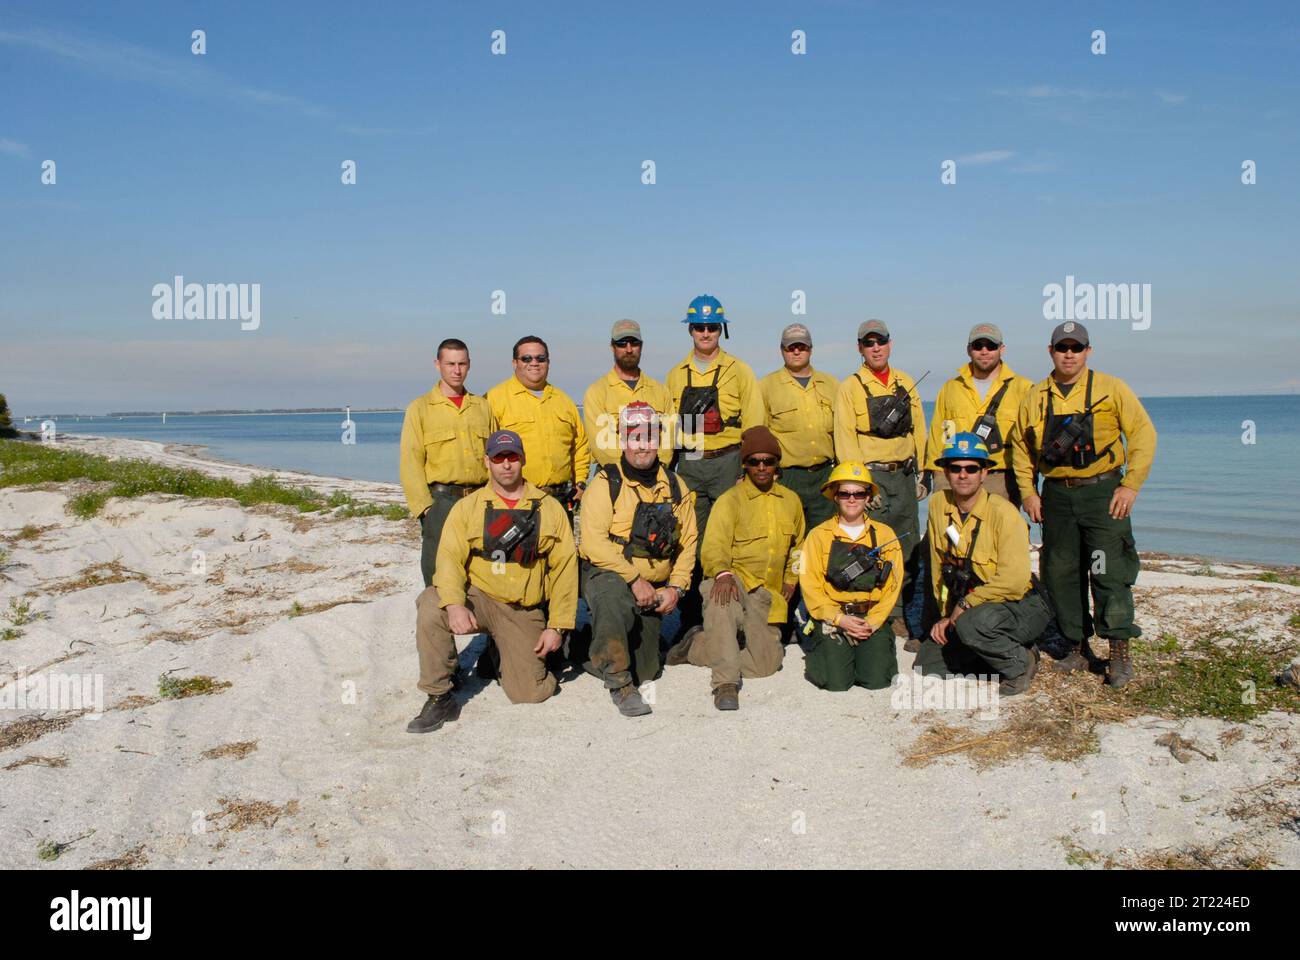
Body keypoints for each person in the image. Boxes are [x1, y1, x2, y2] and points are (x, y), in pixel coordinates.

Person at [1009, 322, 1157, 687]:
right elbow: (1019, 447)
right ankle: (1077, 646)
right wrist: (1029, 491)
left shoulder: (1111, 388)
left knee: (1107, 570)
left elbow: (1142, 433)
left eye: (1077, 348)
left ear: (1088, 351)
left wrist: (1130, 485)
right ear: (1051, 351)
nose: (1069, 354)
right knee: (1061, 573)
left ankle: (1119, 649)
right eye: (1063, 348)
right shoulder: (1035, 396)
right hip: (1057, 495)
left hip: (1102, 493)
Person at [407, 430, 577, 733]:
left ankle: (504, 650)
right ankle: (439, 694)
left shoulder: (549, 508)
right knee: (431, 602)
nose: (506, 465)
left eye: (512, 457)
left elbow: (565, 570)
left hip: (523, 609)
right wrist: (455, 604)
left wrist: (558, 626)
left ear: (522, 460)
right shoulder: (467, 507)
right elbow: (447, 560)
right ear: (487, 462)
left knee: (530, 693)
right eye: (499, 458)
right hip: (480, 599)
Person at [665, 426, 805, 711]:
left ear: (778, 463)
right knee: (721, 595)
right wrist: (723, 573)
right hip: (736, 580)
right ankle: (725, 683)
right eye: (754, 461)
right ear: (745, 464)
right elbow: (713, 547)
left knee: (765, 666)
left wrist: (791, 579)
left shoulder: (791, 501)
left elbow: (799, 548)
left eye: (769, 461)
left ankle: (699, 644)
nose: (762, 467)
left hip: (766, 594)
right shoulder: (731, 500)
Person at [579, 402, 698, 717]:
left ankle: (584, 647)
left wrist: (676, 588)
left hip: (654, 584)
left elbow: (688, 543)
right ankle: (619, 684)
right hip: (610, 576)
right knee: (613, 597)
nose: (642, 444)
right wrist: (634, 579)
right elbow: (592, 543)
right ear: (621, 440)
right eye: (634, 436)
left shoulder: (676, 485)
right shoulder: (605, 484)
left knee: (647, 670)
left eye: (649, 435)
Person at [913, 433, 1053, 696]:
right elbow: (938, 570)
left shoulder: (1004, 514)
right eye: (955, 468)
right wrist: (945, 615)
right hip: (972, 607)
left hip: (1019, 604)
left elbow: (1013, 583)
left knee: (972, 625)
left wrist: (963, 607)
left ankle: (1021, 661)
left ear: (984, 472)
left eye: (971, 468)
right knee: (929, 664)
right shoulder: (937, 505)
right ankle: (987, 649)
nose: (963, 475)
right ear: (946, 471)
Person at [665, 294, 765, 632]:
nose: (705, 333)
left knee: (730, 540)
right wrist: (668, 472)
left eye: (711, 327)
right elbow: (670, 428)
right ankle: (693, 618)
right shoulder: (675, 375)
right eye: (699, 327)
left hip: (728, 461)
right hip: (690, 462)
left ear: (720, 329)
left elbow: (753, 426)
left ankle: (733, 617)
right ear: (690, 330)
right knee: (691, 539)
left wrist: (746, 471)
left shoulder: (740, 372)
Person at [832, 319, 926, 644]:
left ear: (890, 343)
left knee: (908, 545)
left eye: (880, 341)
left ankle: (904, 615)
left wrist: (922, 472)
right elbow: (845, 438)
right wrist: (860, 485)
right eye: (868, 343)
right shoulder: (850, 388)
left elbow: (919, 431)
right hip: (872, 478)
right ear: (860, 348)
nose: (875, 348)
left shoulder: (906, 382)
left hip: (903, 475)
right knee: (872, 548)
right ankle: (873, 614)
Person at [798, 462, 905, 692]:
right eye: (845, 493)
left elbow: (893, 586)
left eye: (859, 493)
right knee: (836, 683)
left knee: (877, 680)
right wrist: (839, 619)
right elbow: (810, 586)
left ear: (868, 497)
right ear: (835, 496)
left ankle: (875, 649)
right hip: (835, 618)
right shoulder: (817, 536)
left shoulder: (885, 534)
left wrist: (874, 621)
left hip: (870, 617)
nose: (852, 499)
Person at [398, 338, 495, 586]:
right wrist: (426, 509)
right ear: (437, 364)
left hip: (478, 499)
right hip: (441, 501)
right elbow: (411, 462)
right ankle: (438, 619)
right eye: (450, 363)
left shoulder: (483, 407)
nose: (456, 370)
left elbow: (494, 457)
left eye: (462, 363)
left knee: (480, 566)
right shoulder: (420, 408)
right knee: (438, 568)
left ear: (469, 365)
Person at [924, 323, 1031, 504]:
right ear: (969, 350)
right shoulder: (951, 388)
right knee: (951, 531)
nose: (984, 351)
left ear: (1001, 349)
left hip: (1001, 479)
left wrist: (1029, 487)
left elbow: (1029, 443)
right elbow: (941, 435)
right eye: (977, 346)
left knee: (999, 531)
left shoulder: (1023, 389)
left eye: (990, 346)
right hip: (956, 476)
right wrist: (938, 476)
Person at [487, 335, 591, 516]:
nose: (534, 363)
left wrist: (580, 484)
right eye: (526, 358)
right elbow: (483, 452)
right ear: (514, 363)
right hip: (513, 501)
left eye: (540, 358)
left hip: (560, 500)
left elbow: (580, 446)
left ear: (548, 362)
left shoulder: (563, 401)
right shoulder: (494, 399)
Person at [759, 322, 838, 528]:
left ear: (810, 349)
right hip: (786, 477)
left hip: (825, 477)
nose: (796, 351)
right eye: (790, 347)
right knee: (786, 539)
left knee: (824, 542)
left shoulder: (832, 385)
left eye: (801, 346)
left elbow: (842, 433)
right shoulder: (766, 386)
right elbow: (759, 437)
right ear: (782, 350)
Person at [582, 319, 674, 468]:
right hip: (614, 475)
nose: (629, 349)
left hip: (655, 473)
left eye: (634, 342)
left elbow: (669, 437)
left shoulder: (661, 391)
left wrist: (658, 466)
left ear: (641, 346)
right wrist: (632, 470)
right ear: (612, 347)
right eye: (622, 343)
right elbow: (601, 444)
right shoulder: (596, 392)